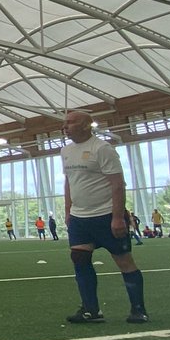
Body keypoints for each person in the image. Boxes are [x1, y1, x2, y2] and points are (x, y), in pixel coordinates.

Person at [62, 110, 148, 323]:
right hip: (80, 218)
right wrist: (68, 210)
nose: (65, 126)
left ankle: (138, 310)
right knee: (79, 259)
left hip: (105, 215)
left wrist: (117, 217)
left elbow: (117, 184)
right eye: (65, 123)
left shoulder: (102, 149)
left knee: (124, 262)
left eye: (71, 123)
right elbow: (69, 181)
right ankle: (91, 310)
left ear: (86, 125)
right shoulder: (65, 151)